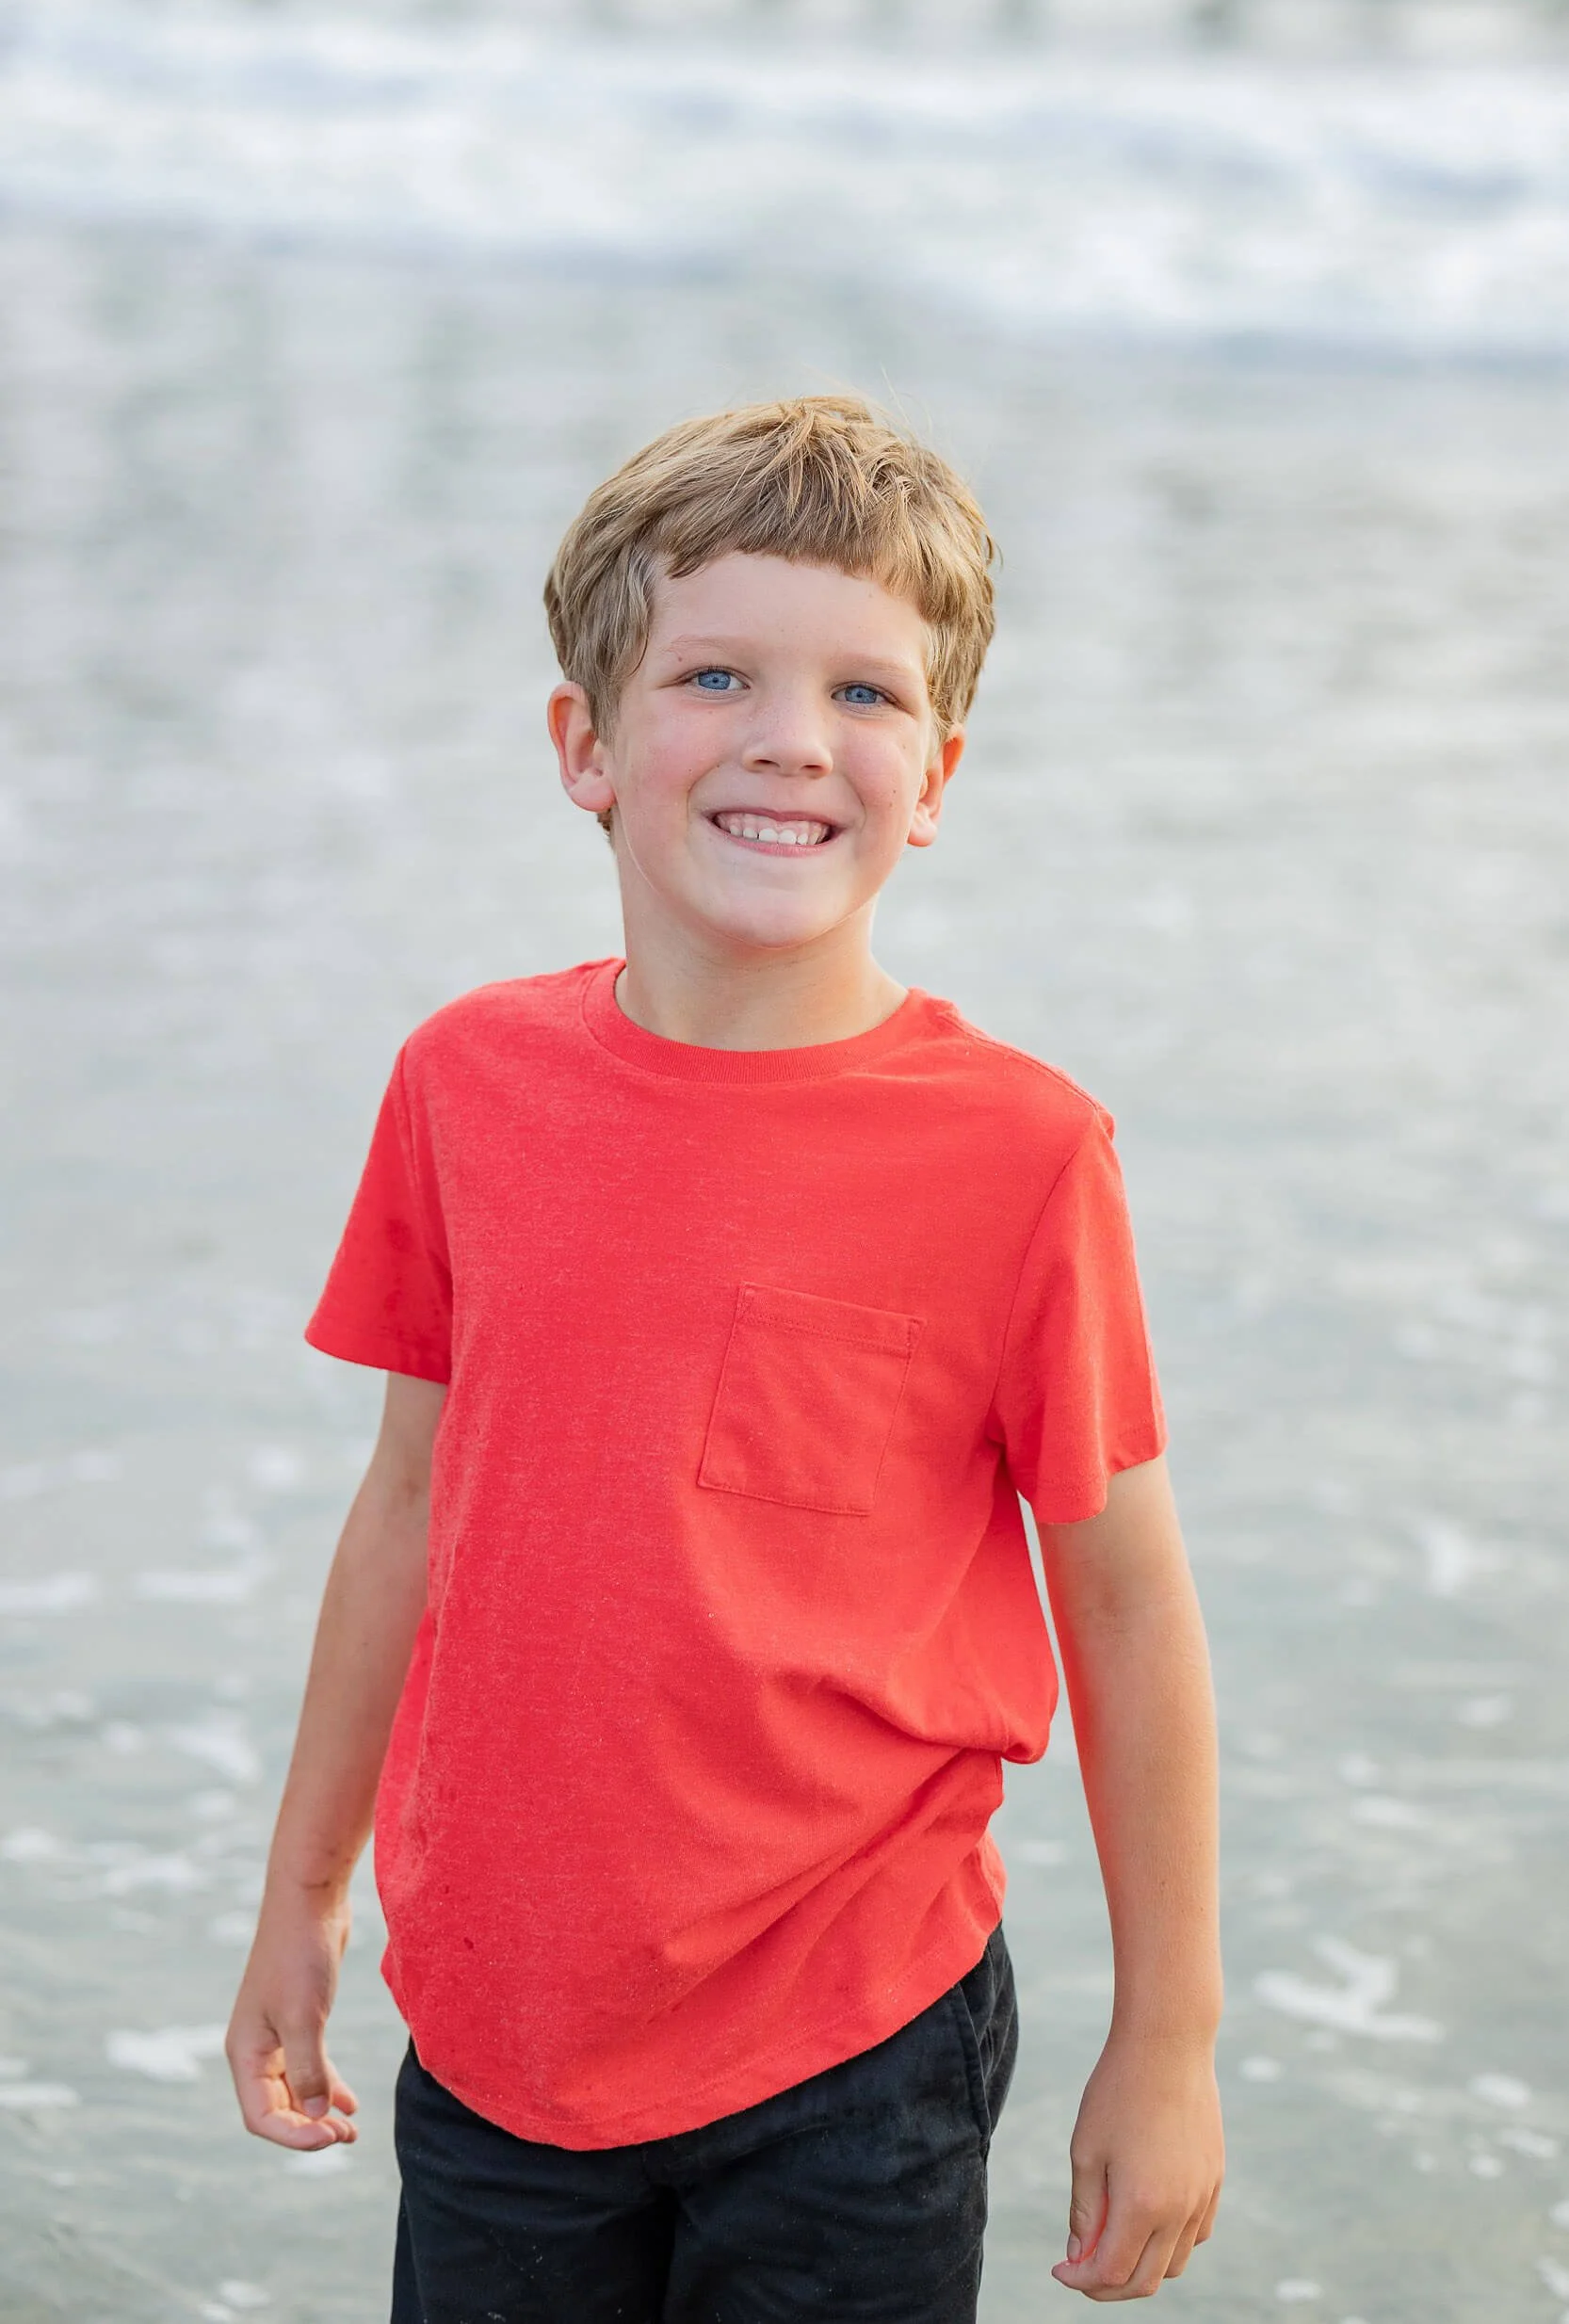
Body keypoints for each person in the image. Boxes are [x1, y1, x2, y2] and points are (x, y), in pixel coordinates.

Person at [224, 395, 1223, 2319]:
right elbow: (408, 1501)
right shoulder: (463, 1083)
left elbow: (1124, 1600)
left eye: (863, 690)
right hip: (504, 2024)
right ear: (583, 746)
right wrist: (299, 1894)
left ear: (932, 774)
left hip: (860, 2035)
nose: (790, 735)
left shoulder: (1019, 1153)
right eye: (715, 673)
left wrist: (1164, 2038)